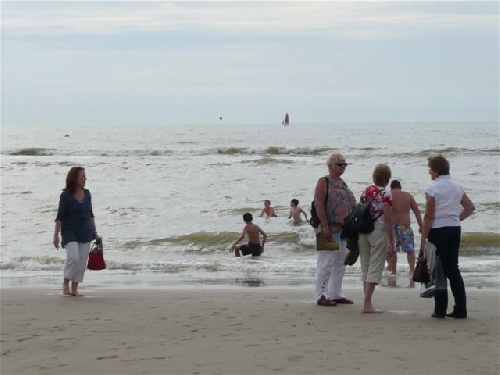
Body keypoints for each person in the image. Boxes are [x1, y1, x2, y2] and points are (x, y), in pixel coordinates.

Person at [420, 155, 475, 319]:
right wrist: (454, 218)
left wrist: (423, 237)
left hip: (438, 231)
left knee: (438, 269)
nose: (429, 172)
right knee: (452, 269)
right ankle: (461, 308)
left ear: (436, 171)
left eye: (430, 169)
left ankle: (440, 309)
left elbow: (429, 216)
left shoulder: (433, 188)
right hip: (454, 229)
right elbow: (469, 207)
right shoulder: (457, 186)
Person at [314, 152, 356, 306]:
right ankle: (321, 294)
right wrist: (325, 225)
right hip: (329, 228)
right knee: (326, 262)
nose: (343, 167)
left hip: (343, 229)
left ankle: (336, 293)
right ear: (330, 165)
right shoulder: (324, 181)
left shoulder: (342, 183)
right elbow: (318, 203)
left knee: (341, 262)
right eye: (340, 164)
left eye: (345, 164)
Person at [53, 167, 97, 296]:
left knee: (82, 261)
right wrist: (56, 235)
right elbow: (60, 217)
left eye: (85, 176)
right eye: (82, 176)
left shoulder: (87, 193)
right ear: (74, 178)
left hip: (85, 231)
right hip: (69, 231)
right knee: (73, 258)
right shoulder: (65, 195)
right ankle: (66, 282)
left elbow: (90, 214)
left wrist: (95, 231)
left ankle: (75, 288)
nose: (85, 178)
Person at [358, 164, 393, 313]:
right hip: (378, 229)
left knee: (365, 265)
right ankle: (367, 304)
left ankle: (366, 302)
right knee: (376, 263)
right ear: (387, 178)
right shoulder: (386, 194)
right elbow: (387, 218)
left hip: (363, 229)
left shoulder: (366, 191)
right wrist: (391, 240)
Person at [387, 180, 423, 278]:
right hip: (405, 227)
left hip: (392, 227)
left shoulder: (388, 195)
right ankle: (412, 272)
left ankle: (393, 273)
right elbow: (416, 210)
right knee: (410, 251)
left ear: (391, 187)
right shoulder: (407, 195)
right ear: (400, 187)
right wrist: (421, 225)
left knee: (392, 251)